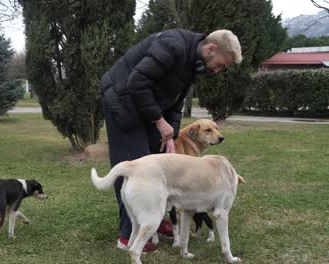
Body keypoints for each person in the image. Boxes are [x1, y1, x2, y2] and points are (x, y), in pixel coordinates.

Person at [100, 29, 243, 252]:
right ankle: (128, 235)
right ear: (211, 49)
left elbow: (174, 103)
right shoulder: (172, 46)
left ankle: (151, 219)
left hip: (145, 104)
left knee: (154, 159)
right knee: (134, 164)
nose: (218, 70)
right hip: (122, 99)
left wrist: (170, 137)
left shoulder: (192, 62)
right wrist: (158, 120)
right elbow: (136, 82)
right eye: (221, 64)